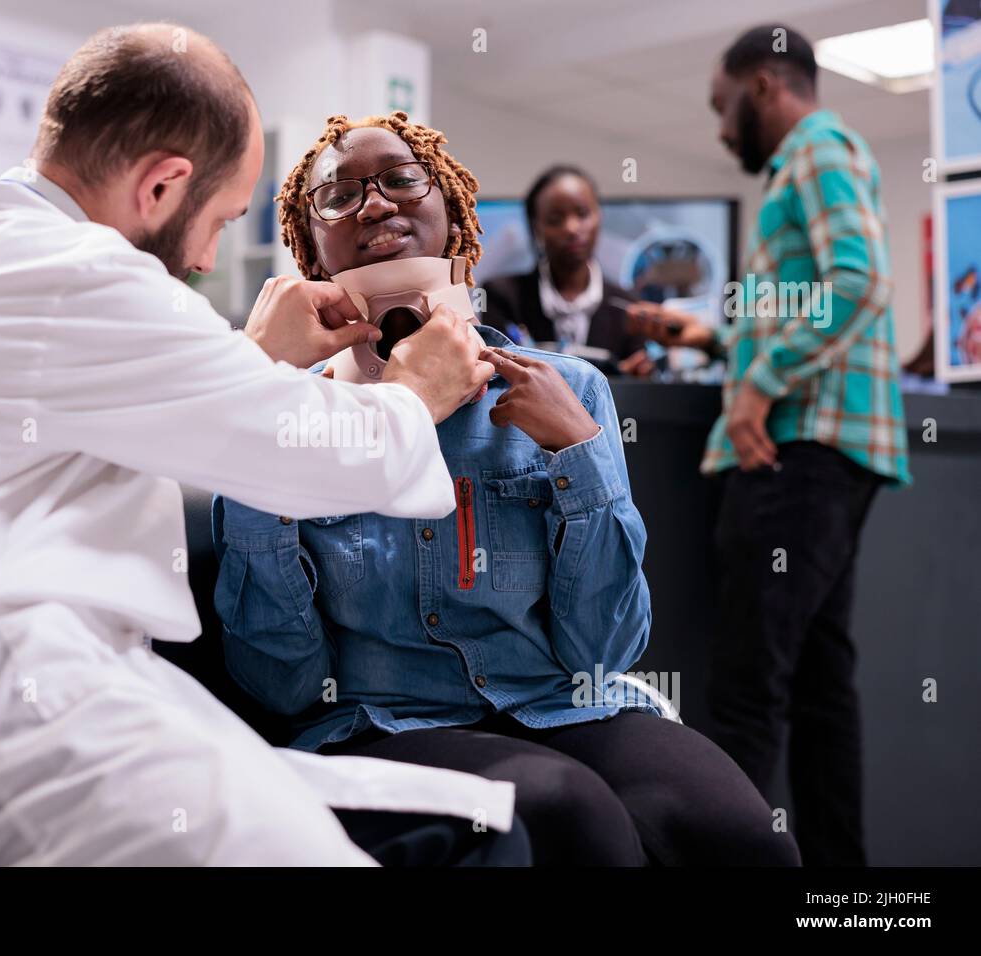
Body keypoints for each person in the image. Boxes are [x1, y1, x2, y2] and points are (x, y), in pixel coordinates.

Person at [0, 23, 531, 866]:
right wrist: (418, 392)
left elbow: (72, 412)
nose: (204, 260)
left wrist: (251, 358)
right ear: (163, 185)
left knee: (480, 831)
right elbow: (332, 457)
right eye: (221, 221)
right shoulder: (71, 271)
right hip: (6, 741)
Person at [213, 112, 802, 866]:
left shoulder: (571, 391)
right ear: (309, 248)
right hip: (384, 722)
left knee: (749, 841)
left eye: (400, 179)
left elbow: (605, 651)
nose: (374, 203)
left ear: (454, 213)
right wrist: (265, 453)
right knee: (571, 816)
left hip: (561, 704)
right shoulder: (290, 418)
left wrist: (579, 457)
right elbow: (285, 686)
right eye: (339, 195)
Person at [627, 24, 912, 866]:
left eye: (722, 107)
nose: (720, 129)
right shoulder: (819, 161)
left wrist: (758, 383)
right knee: (821, 691)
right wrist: (721, 344)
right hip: (828, 448)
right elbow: (814, 302)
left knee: (750, 691)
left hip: (797, 450)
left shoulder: (818, 150)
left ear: (762, 86)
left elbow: (858, 284)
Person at [483, 165, 652, 375]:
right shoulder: (502, 296)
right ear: (536, 227)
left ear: (599, 217)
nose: (571, 228)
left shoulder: (628, 307)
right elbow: (497, 375)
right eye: (555, 219)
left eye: (582, 214)